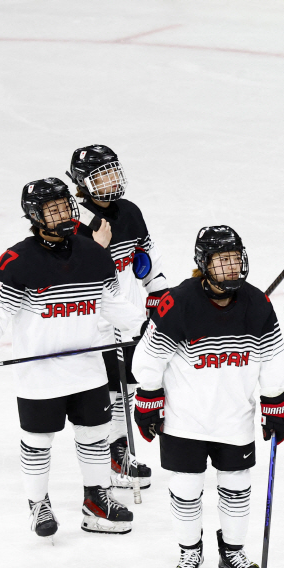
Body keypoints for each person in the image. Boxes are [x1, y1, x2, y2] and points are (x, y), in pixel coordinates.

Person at [0, 178, 140, 540]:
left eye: (64, 205)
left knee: (95, 436)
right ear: (34, 215)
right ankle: (37, 503)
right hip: (39, 376)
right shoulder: (17, 261)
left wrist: (154, 326)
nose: (62, 213)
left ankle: (95, 501)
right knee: (38, 442)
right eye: (51, 208)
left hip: (87, 370)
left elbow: (112, 306)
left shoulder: (94, 255)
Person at [131, 226, 284, 568]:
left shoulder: (256, 303)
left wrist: (275, 398)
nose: (232, 269)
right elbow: (149, 358)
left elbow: (274, 355)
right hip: (185, 421)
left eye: (236, 260)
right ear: (204, 264)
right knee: (186, 487)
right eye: (222, 262)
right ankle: (190, 552)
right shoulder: (179, 302)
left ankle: (232, 554)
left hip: (235, 419)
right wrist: (148, 398)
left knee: (237, 486)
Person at [68, 144, 167, 491]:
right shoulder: (77, 220)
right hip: (94, 325)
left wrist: (158, 294)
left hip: (130, 319)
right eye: (101, 175)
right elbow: (76, 277)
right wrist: (96, 248)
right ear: (83, 182)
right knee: (104, 396)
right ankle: (106, 461)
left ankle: (119, 453)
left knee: (128, 388)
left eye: (113, 171)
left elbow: (146, 262)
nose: (111, 180)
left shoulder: (131, 212)